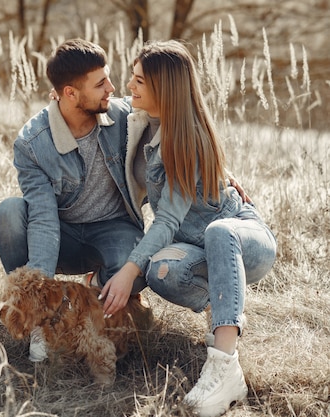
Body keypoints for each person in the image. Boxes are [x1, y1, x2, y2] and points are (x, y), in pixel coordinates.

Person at [98, 40, 277, 417]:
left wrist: (128, 270)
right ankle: (226, 306)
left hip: (242, 238)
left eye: (139, 81)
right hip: (193, 248)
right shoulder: (139, 121)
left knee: (218, 233)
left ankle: (224, 366)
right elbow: (91, 104)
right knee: (161, 269)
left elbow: (167, 221)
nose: (129, 87)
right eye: (131, 79)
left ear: (165, 89)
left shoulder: (187, 138)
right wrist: (57, 100)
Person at [0, 39, 148, 362]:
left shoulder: (123, 115)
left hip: (112, 228)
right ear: (70, 94)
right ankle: (36, 316)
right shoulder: (33, 143)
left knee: (135, 266)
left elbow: (176, 132)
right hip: (63, 234)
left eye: (107, 78)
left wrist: (221, 172)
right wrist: (41, 296)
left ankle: (100, 294)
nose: (112, 87)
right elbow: (44, 218)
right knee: (9, 213)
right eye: (100, 83)